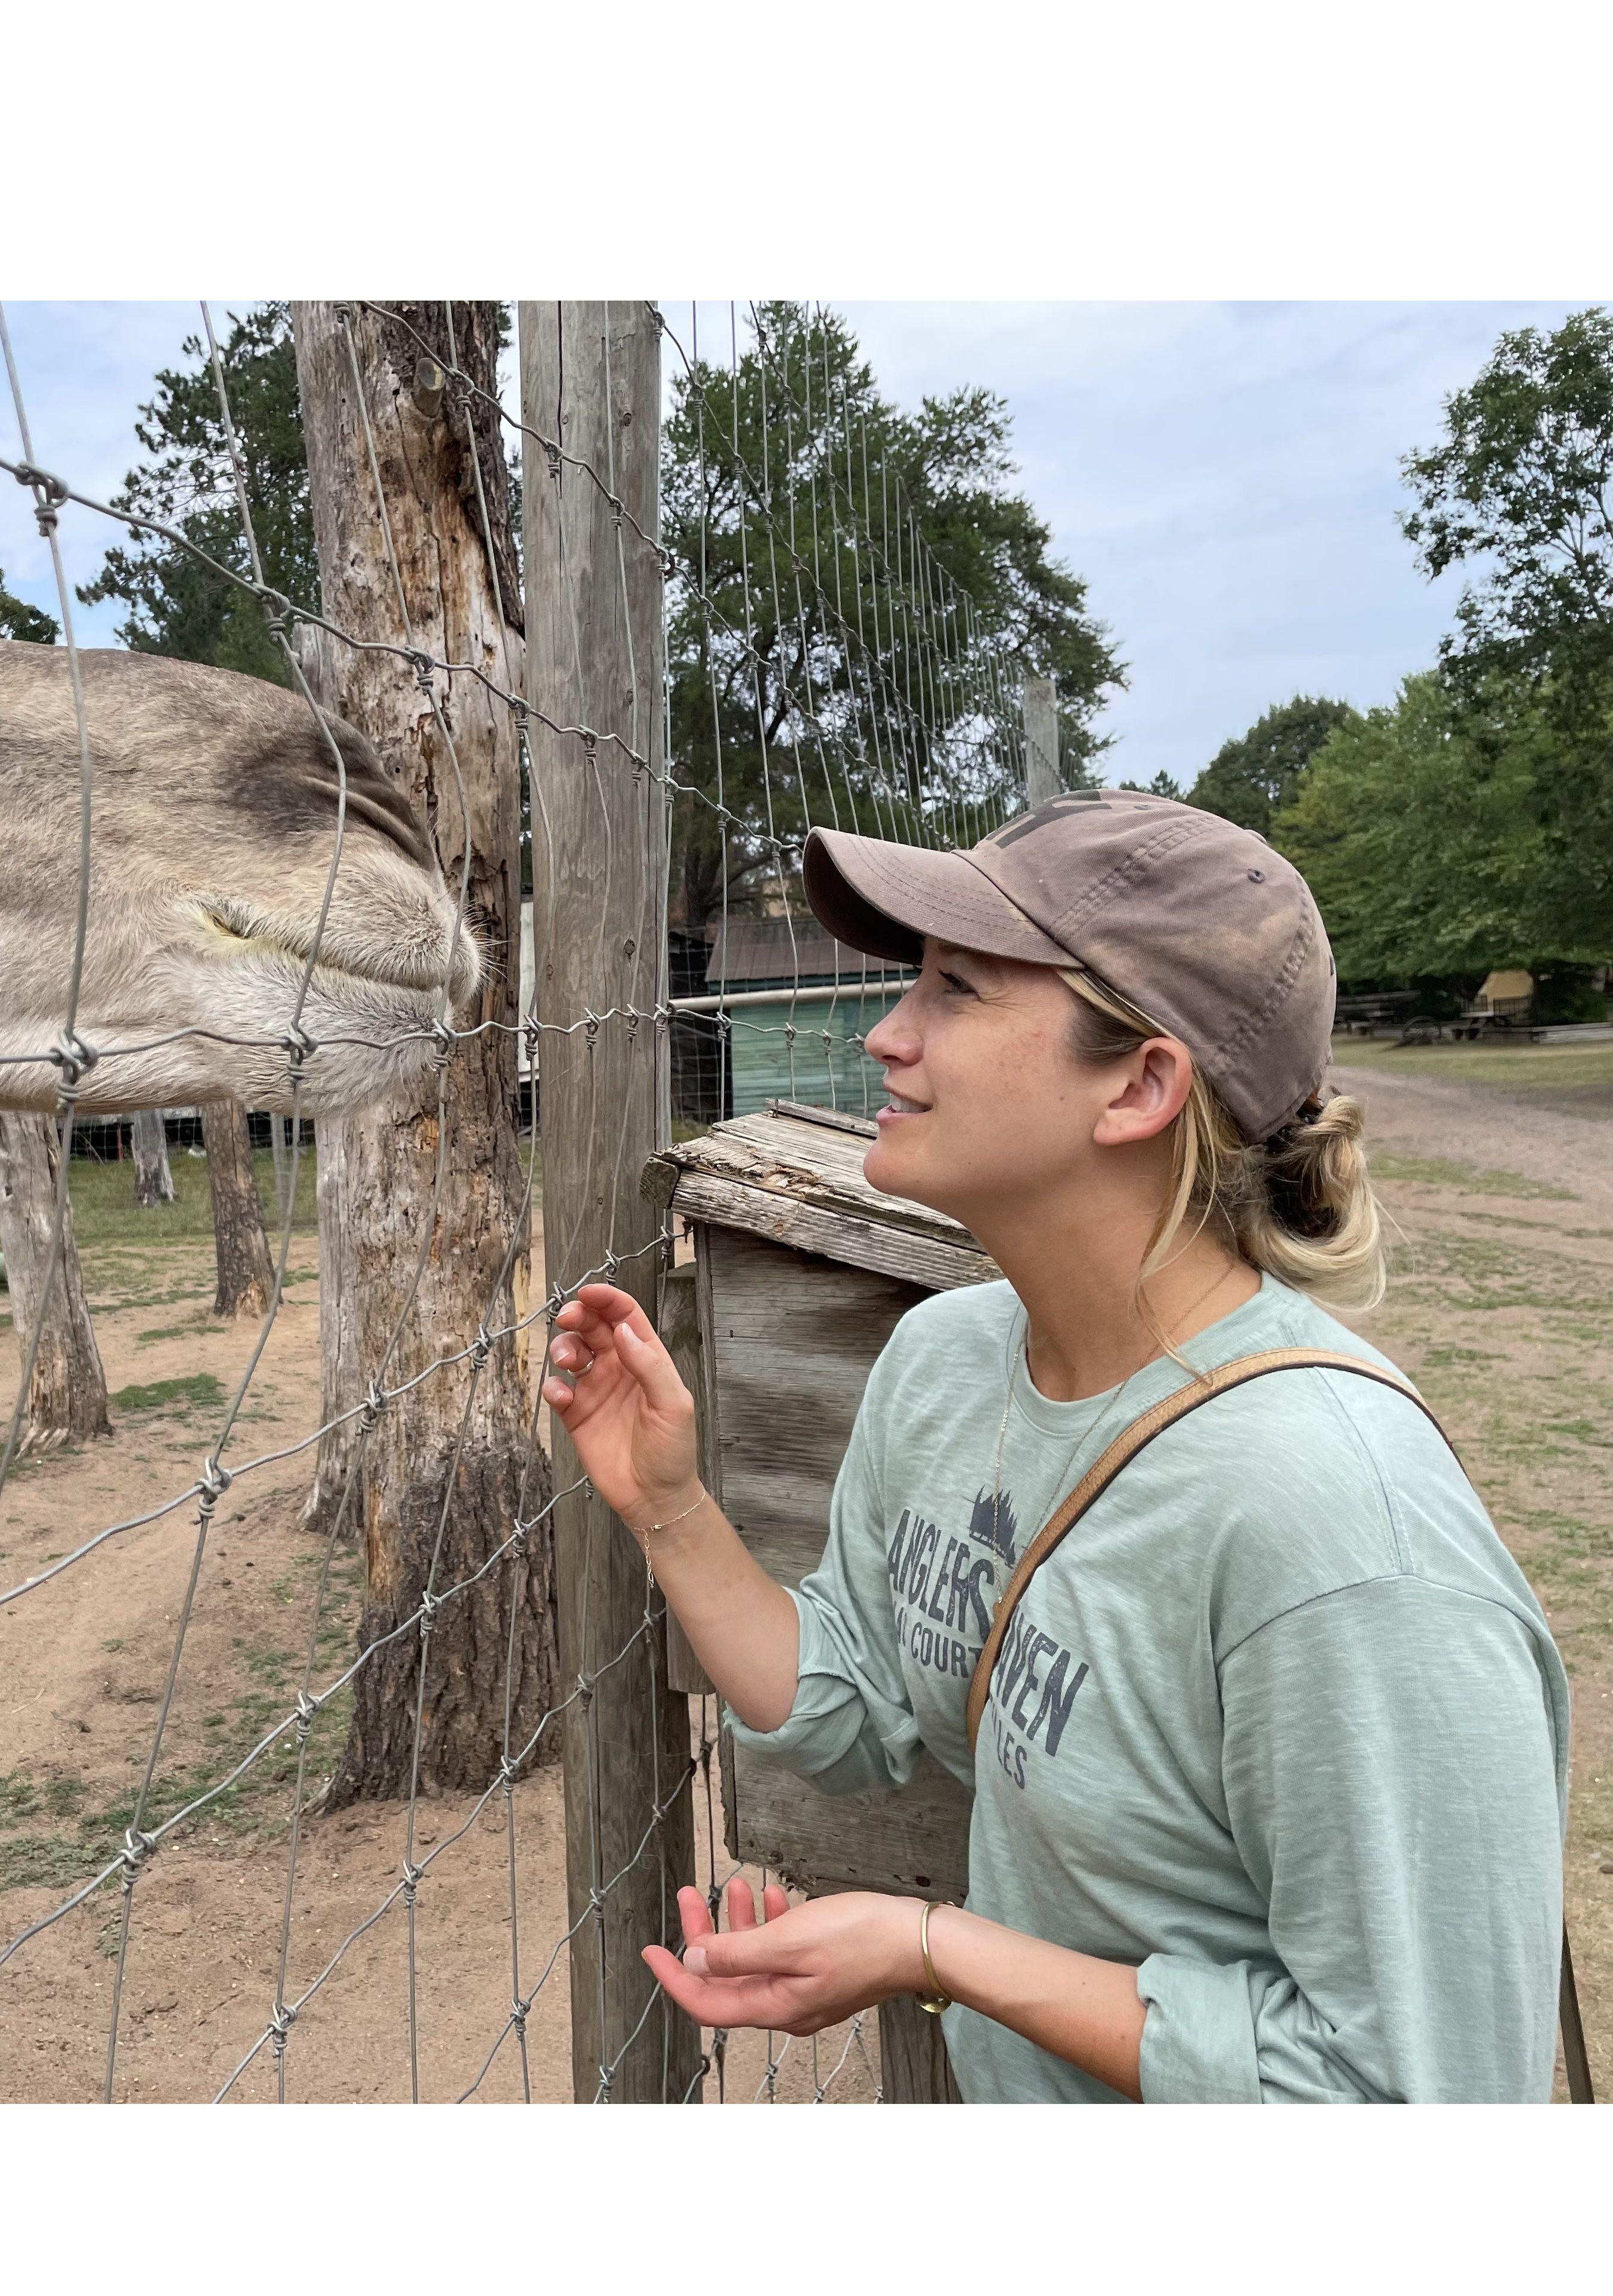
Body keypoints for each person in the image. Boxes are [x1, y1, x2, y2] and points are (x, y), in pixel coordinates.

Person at [545, 791, 1571, 2102]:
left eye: (957, 991)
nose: (883, 1037)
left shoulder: (1339, 1530)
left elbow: (1421, 2096)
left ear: (1140, 1085)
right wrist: (670, 1509)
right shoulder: (949, 1360)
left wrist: (940, 1949)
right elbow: (853, 1712)